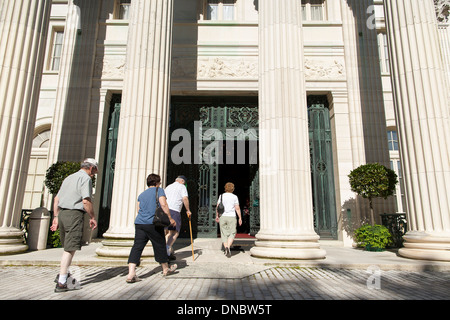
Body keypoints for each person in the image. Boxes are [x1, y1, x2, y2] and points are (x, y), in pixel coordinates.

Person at [51, 158, 98, 293]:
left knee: (67, 246)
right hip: (74, 215)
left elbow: (56, 199)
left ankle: (63, 273)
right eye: (94, 171)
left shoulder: (69, 178)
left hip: (62, 214)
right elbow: (86, 201)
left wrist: (56, 217)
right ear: (90, 168)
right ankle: (62, 281)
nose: (93, 174)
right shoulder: (86, 179)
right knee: (70, 248)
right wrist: (93, 217)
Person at [126, 174, 177, 283]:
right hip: (153, 223)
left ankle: (131, 273)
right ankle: (165, 269)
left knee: (137, 247)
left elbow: (138, 209)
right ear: (157, 182)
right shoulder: (159, 191)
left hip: (140, 223)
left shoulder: (141, 194)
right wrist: (169, 218)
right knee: (160, 245)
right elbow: (163, 204)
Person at [164, 175, 191, 260]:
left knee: (167, 232)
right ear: (182, 181)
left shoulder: (168, 187)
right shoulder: (182, 186)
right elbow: (185, 198)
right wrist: (188, 210)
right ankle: (167, 249)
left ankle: (167, 250)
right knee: (175, 232)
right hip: (174, 210)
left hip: (165, 210)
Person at [215, 182, 242, 257]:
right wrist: (240, 217)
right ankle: (228, 247)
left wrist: (217, 216)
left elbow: (218, 207)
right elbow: (237, 208)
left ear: (225, 188)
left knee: (223, 233)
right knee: (232, 233)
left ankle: (226, 247)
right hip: (232, 216)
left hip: (223, 216)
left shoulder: (221, 196)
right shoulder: (234, 197)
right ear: (233, 189)